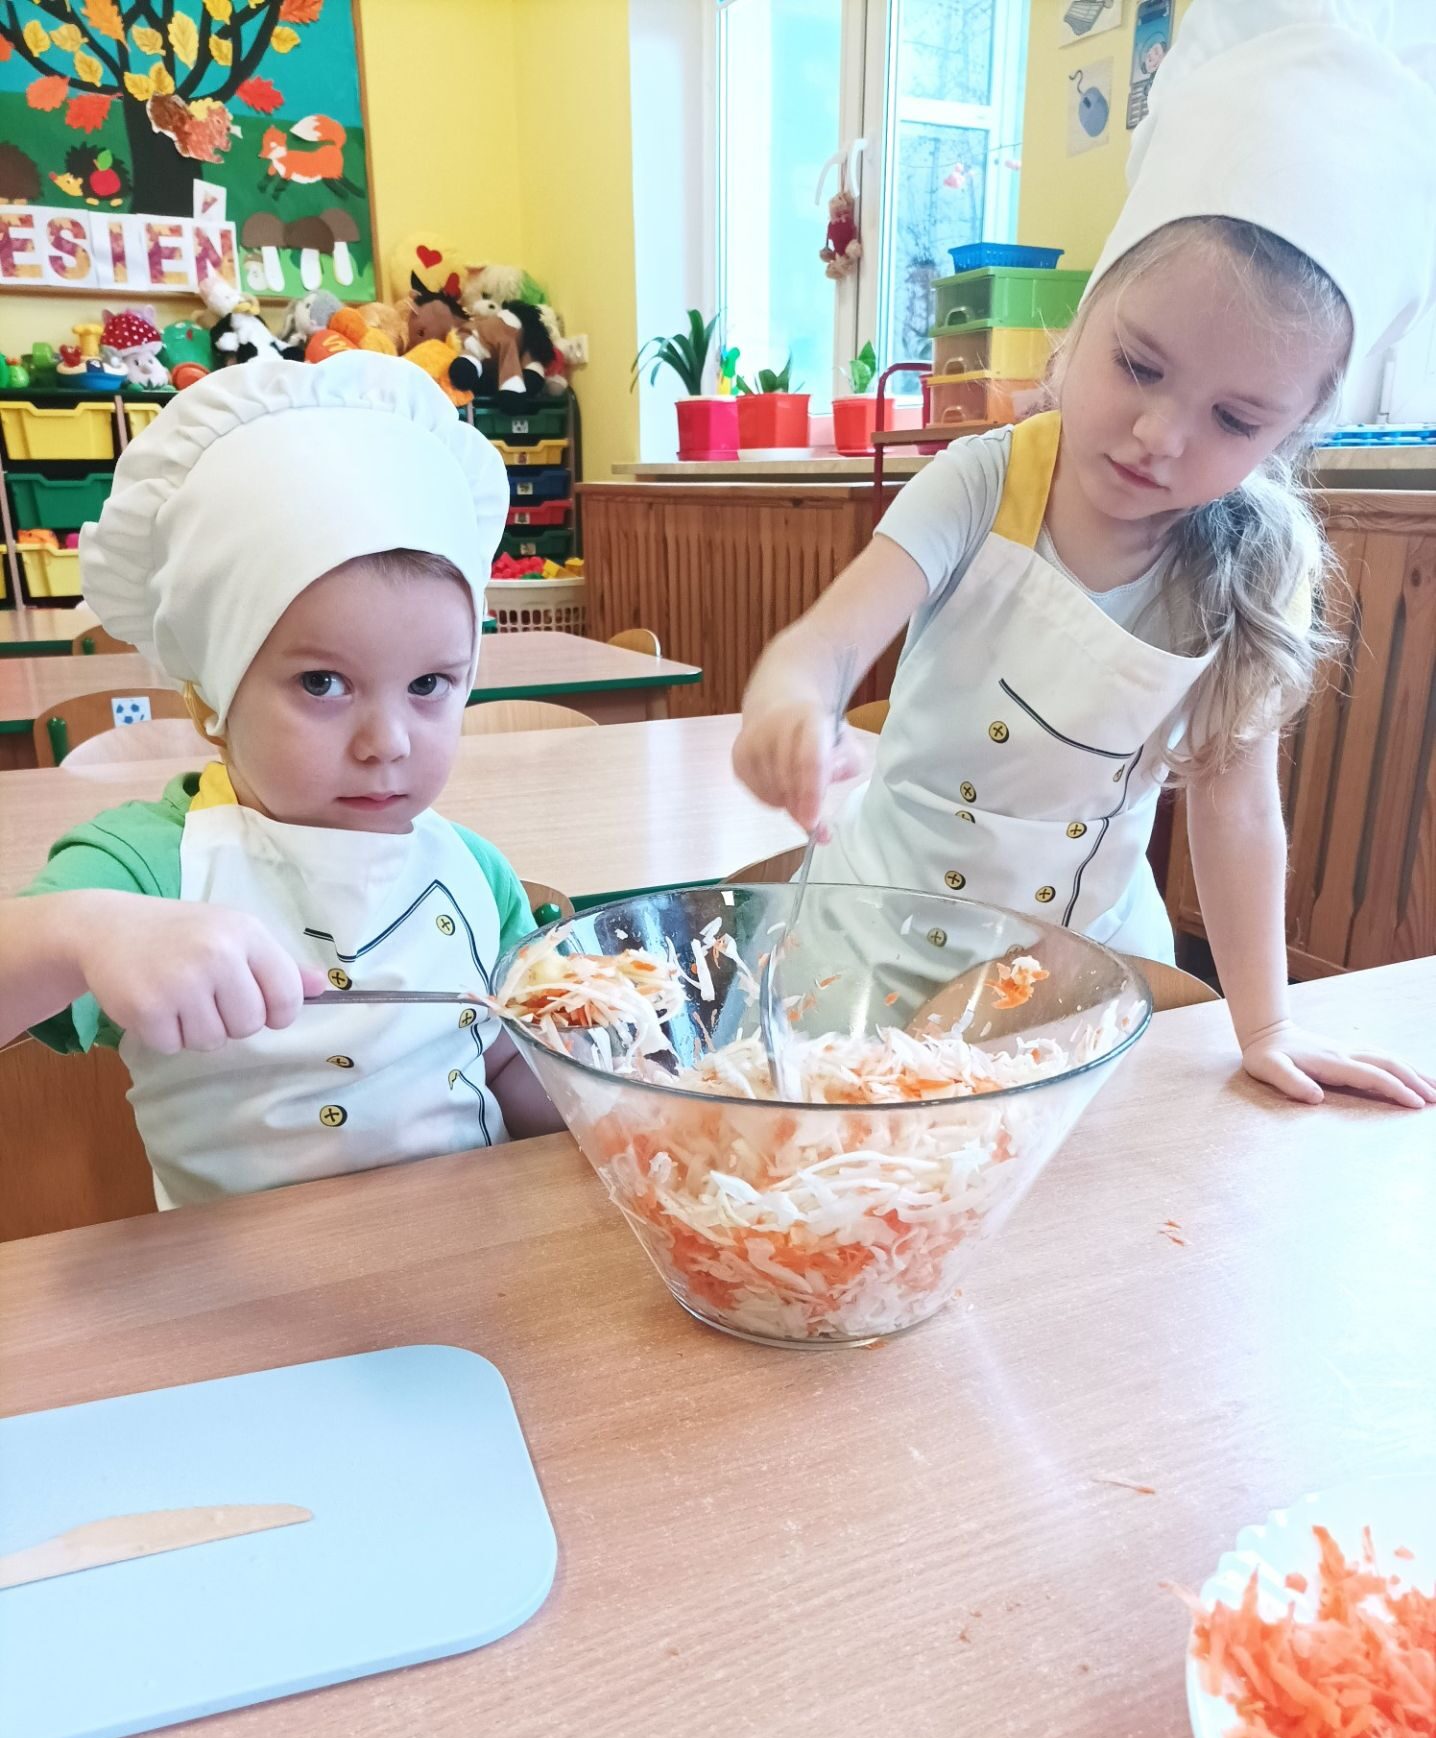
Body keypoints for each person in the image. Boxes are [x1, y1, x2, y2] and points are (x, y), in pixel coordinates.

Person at [734, 0, 1436, 1110]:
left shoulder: (1249, 569)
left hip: (1077, 976)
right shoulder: (985, 482)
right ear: (1085, 315)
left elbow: (1235, 806)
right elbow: (821, 648)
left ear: (1292, 432)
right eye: (1140, 366)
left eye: (1234, 419)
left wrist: (1266, 1024)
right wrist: (789, 708)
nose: (1160, 436)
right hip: (873, 950)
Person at [0, 353, 561, 1208]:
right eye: (322, 684)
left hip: (469, 1250)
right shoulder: (147, 867)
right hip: (243, 1276)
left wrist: (620, 1102)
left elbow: (502, 1058)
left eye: (429, 684)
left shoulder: (475, 872)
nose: (387, 743)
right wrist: (83, 932)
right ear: (214, 693)